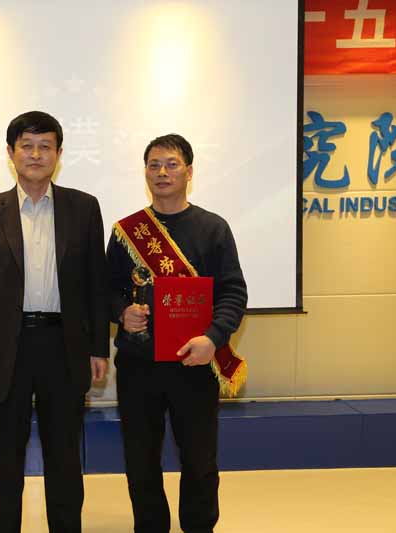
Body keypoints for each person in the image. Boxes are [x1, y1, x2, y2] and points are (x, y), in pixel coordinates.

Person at [0, 111, 109, 533]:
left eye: (45, 146)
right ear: (11, 152)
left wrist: (99, 348)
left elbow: (96, 286)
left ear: (58, 153)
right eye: (26, 146)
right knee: (5, 460)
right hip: (6, 350)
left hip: (65, 346)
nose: (36, 154)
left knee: (65, 459)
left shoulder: (84, 207)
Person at [106, 134, 247, 533]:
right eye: (153, 165)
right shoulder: (126, 232)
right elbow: (106, 289)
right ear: (145, 172)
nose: (162, 173)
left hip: (195, 364)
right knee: (140, 460)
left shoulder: (213, 228)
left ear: (189, 171)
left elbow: (233, 293)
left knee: (200, 460)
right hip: (139, 365)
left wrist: (213, 338)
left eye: (171, 164)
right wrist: (122, 312)